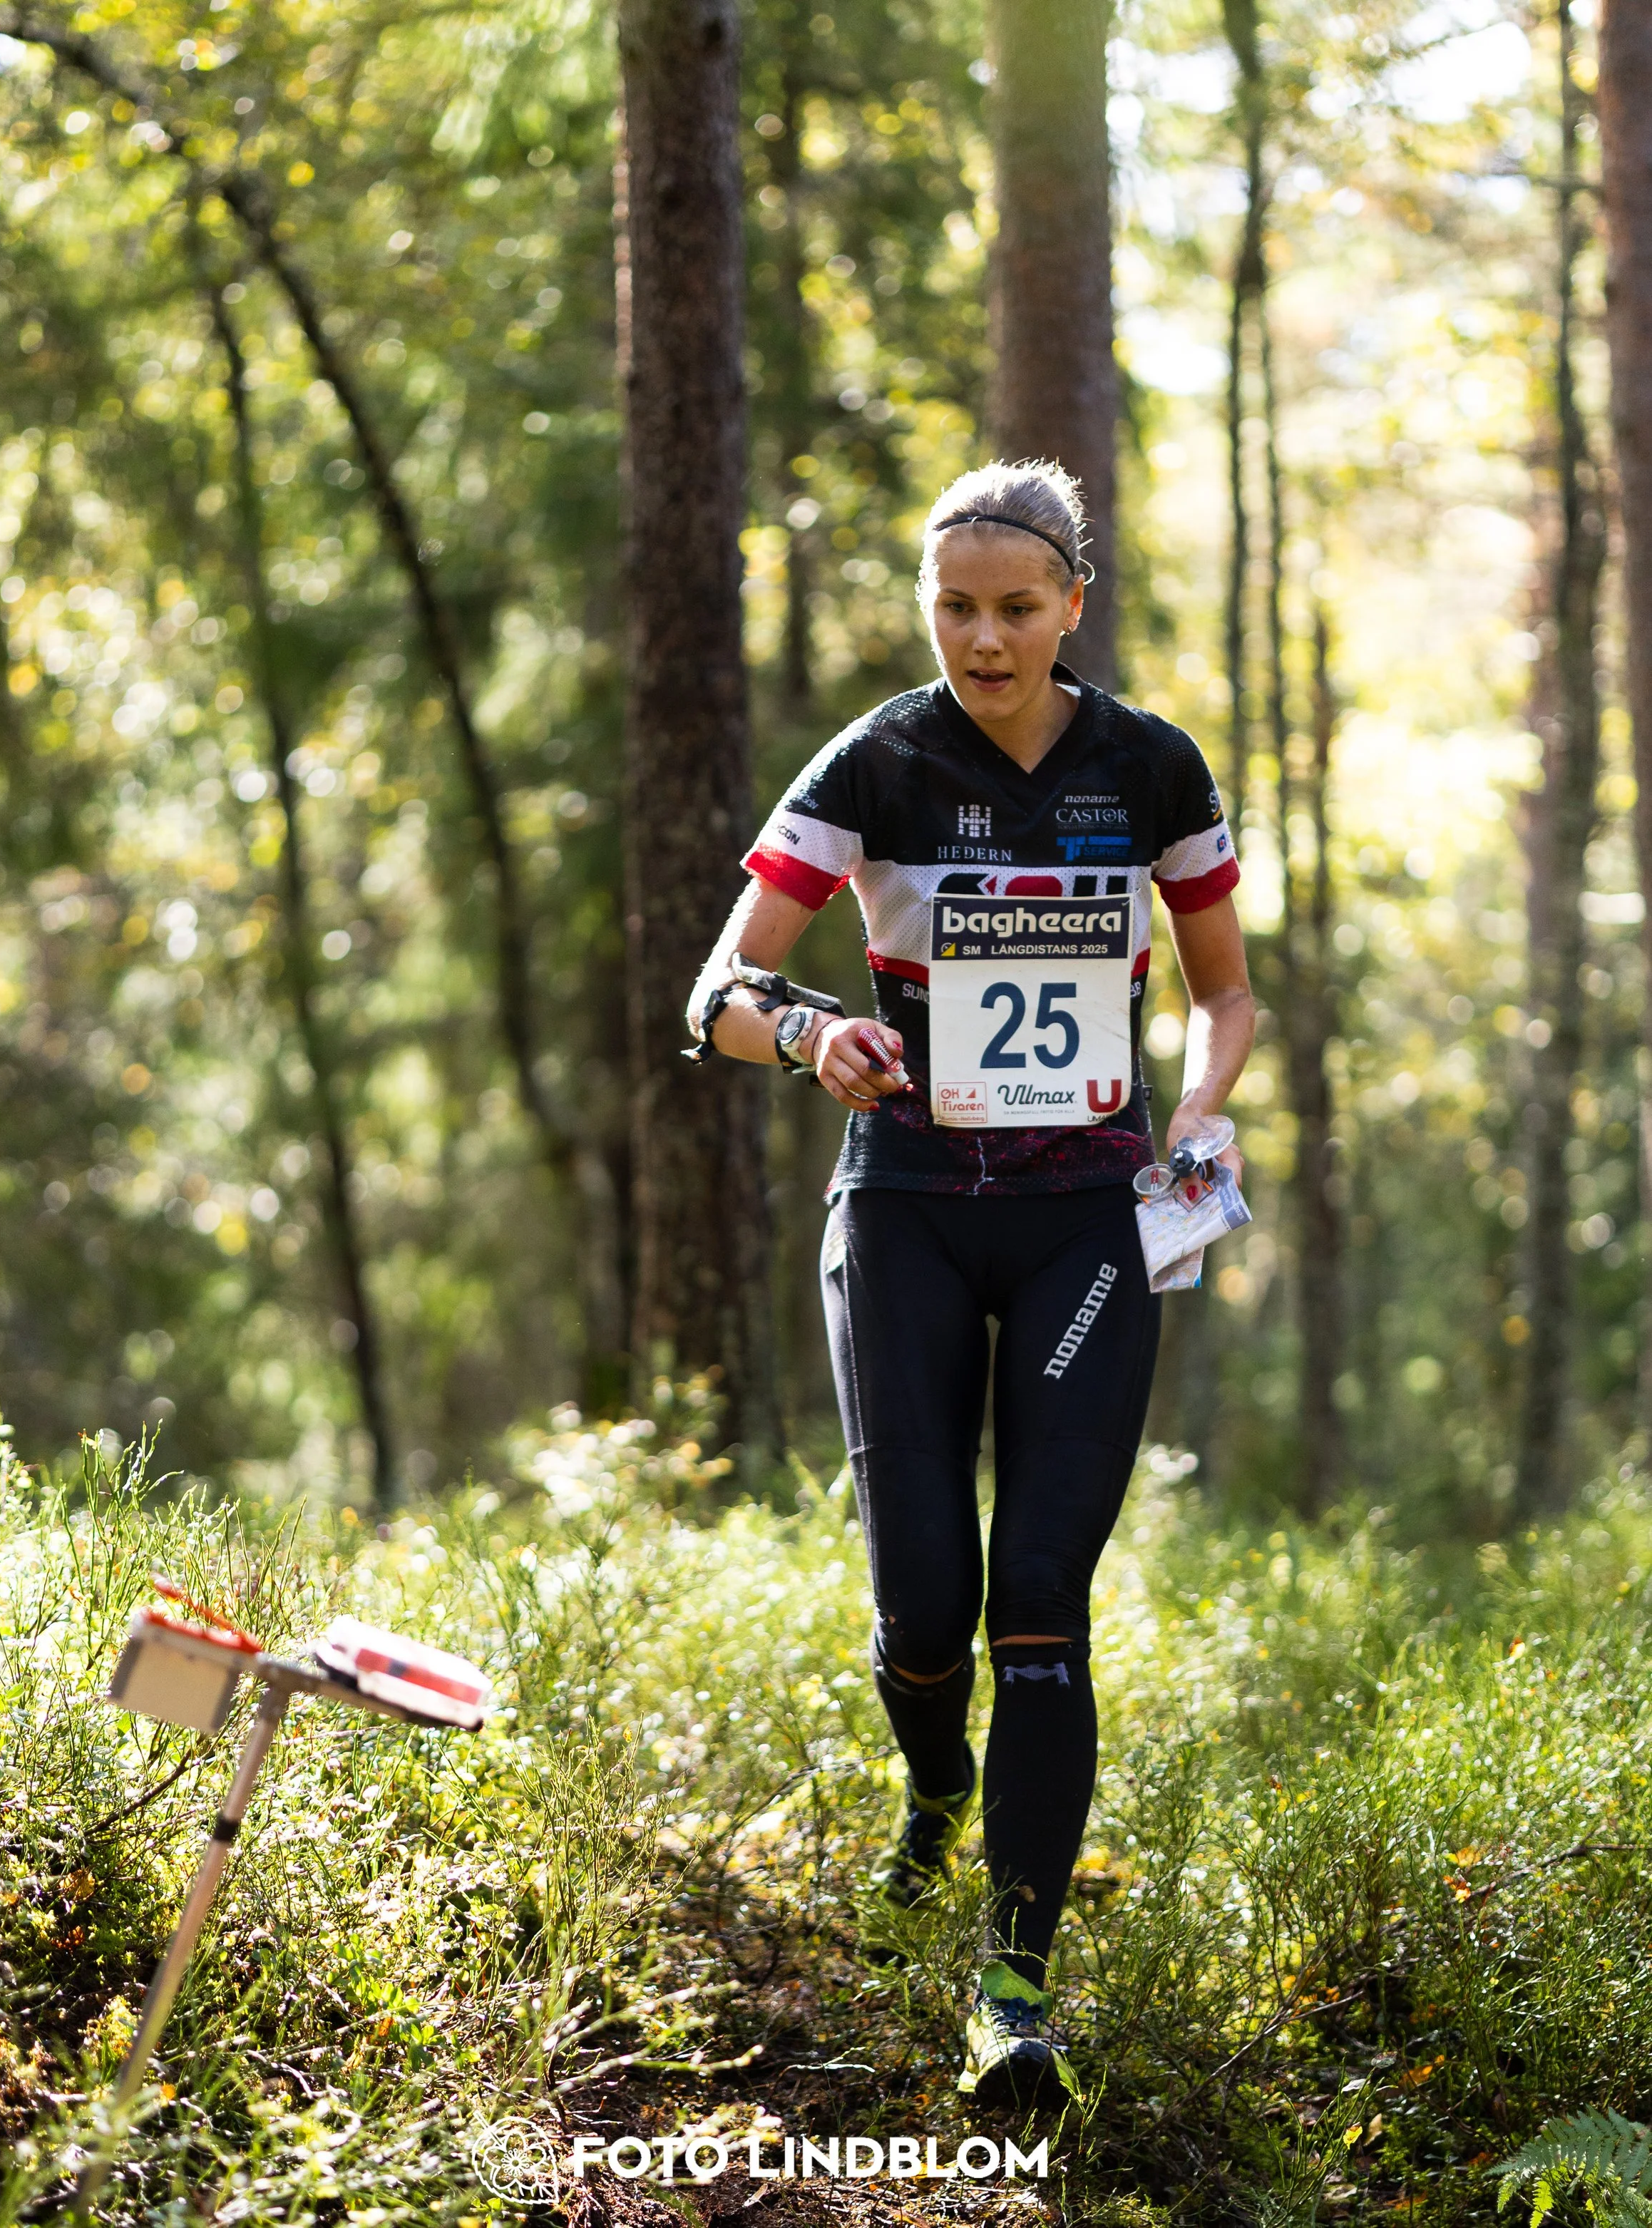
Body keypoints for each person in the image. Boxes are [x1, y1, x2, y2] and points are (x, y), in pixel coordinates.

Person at [687, 460, 1255, 2110]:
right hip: (911, 1207)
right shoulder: (877, 757)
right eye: (953, 606)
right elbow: (717, 983)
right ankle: (933, 1788)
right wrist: (807, 1030)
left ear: (1074, 602)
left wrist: (1201, 1109)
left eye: (1015, 607)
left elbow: (1223, 994)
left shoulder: (1151, 766)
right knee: (922, 1599)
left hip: (1087, 1216)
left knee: (1039, 1609)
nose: (983, 638)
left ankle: (1013, 1983)